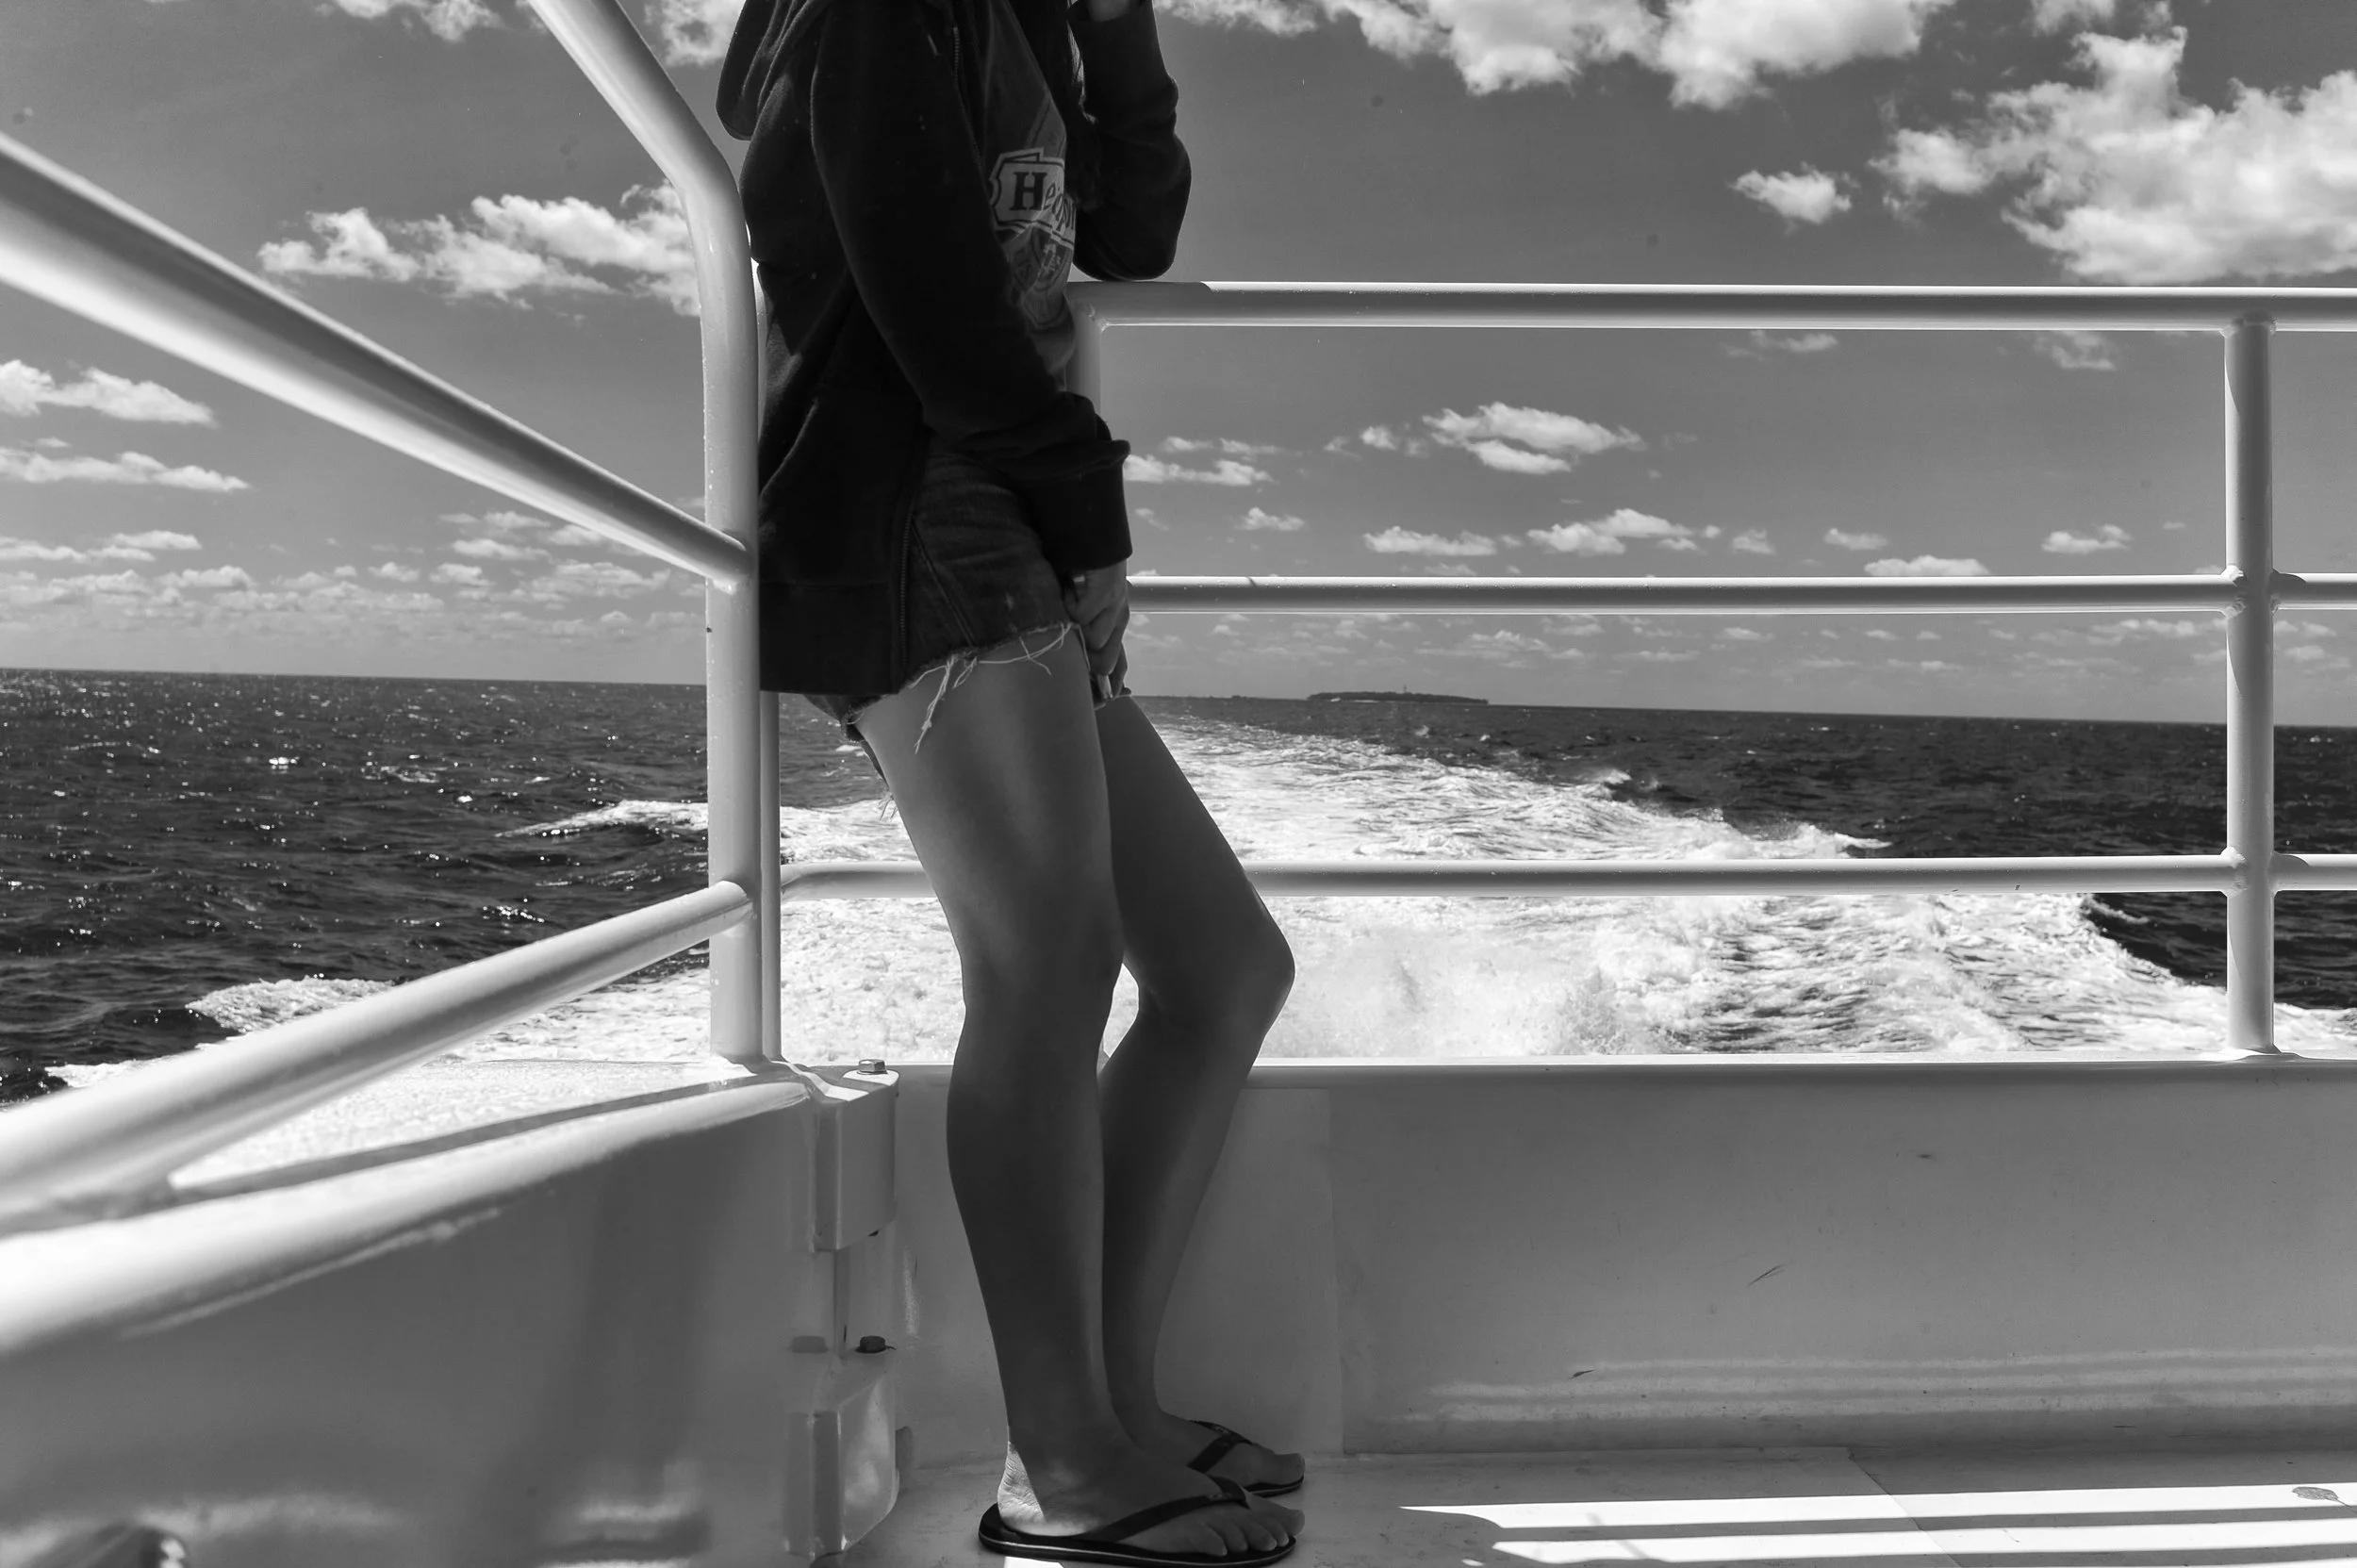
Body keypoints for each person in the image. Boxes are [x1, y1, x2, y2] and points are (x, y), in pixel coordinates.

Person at [717, 0, 1305, 1560]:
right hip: (913, 512)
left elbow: (1132, 230)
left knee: (1224, 966)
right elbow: (930, 303)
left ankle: (1112, 1409)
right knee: (1047, 960)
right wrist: (1090, 516)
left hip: (1001, 515)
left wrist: (1119, 27)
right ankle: (1062, 1465)